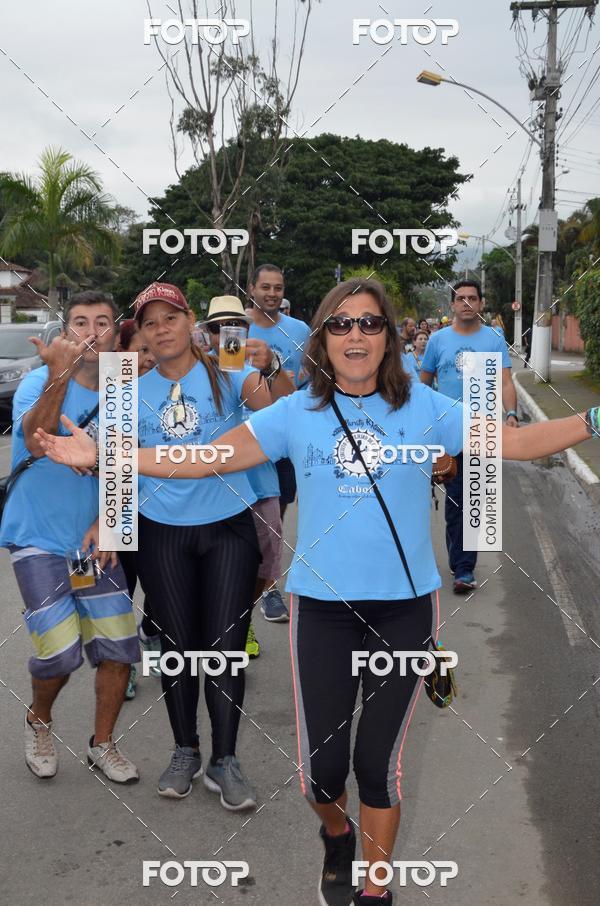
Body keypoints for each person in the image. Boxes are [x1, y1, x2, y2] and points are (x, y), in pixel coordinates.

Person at [38, 277, 599, 906]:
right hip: (323, 612)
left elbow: (516, 441)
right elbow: (206, 457)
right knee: (322, 778)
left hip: (405, 609)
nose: (355, 335)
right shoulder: (294, 413)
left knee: (378, 766)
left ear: (388, 337)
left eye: (369, 323)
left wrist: (593, 418)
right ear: (322, 339)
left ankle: (374, 889)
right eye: (340, 324)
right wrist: (113, 455)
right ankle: (337, 835)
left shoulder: (426, 408)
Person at [0, 290, 140, 783]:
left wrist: (110, 521)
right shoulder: (38, 381)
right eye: (80, 323)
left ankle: (102, 744)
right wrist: (58, 374)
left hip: (89, 543)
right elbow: (37, 442)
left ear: (117, 334)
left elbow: (126, 465)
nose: (91, 332)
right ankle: (39, 719)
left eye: (103, 323)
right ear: (66, 333)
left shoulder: (124, 388)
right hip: (38, 537)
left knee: (118, 646)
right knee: (59, 652)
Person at [131, 281, 261, 806]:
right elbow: (118, 467)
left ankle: (224, 760)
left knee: (225, 650)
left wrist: (264, 369)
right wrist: (107, 528)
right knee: (176, 649)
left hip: (229, 525)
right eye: (150, 322)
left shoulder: (227, 370)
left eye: (170, 318)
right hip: (161, 530)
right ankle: (185, 749)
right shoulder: (129, 392)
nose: (162, 328)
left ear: (191, 323)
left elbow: (274, 409)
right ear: (141, 333)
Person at [202, 295, 286, 661]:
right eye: (218, 328)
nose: (226, 334)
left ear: (246, 329)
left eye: (234, 326)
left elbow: (267, 409)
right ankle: (219, 624)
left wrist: (261, 368)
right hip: (209, 482)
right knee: (212, 564)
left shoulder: (251, 370)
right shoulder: (193, 368)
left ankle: (241, 617)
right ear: (206, 332)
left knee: (267, 563)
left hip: (258, 482)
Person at [420, 280, 518, 593]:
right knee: (456, 501)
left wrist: (512, 414)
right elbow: (423, 386)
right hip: (447, 432)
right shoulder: (437, 340)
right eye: (460, 299)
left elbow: (505, 382)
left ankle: (464, 569)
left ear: (481, 303)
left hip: (483, 430)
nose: (466, 303)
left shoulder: (494, 338)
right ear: (452, 305)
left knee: (475, 500)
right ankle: (459, 564)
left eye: (472, 298)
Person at [247, 263, 311, 621]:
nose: (272, 293)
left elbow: (309, 380)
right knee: (242, 518)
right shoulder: (235, 328)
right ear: (252, 289)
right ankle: (246, 586)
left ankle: (269, 587)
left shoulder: (299, 330)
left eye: (278, 288)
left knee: (277, 512)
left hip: (286, 436)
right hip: (244, 434)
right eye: (265, 287)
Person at [116, 319, 160, 699]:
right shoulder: (112, 393)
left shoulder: (170, 389)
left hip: (164, 508)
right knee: (121, 588)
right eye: (140, 350)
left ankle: (151, 633)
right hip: (121, 504)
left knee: (162, 587)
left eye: (151, 350)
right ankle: (125, 662)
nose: (148, 358)